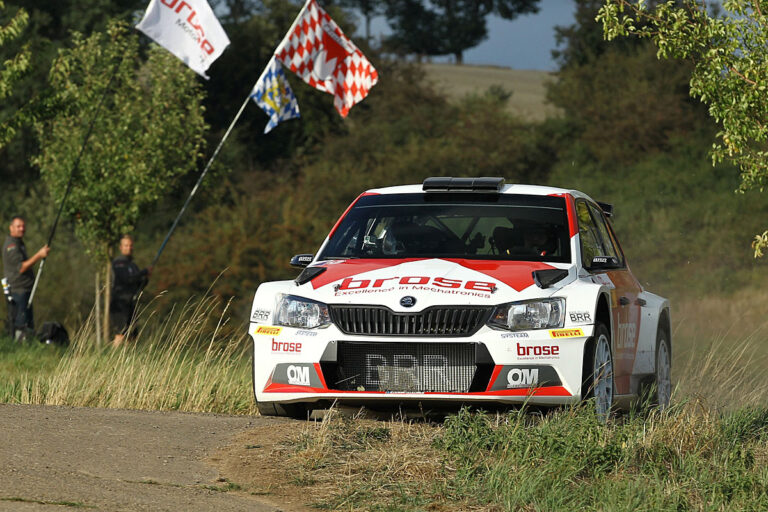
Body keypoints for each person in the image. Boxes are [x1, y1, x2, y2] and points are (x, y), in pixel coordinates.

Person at [2, 216, 50, 340]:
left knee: (28, 324)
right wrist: (39, 255)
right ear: (11, 228)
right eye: (18, 226)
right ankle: (20, 348)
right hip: (18, 290)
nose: (22, 229)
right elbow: (21, 268)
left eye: (23, 226)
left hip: (25, 289)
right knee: (21, 324)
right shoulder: (11, 246)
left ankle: (28, 348)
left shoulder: (19, 243)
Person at [110, 235, 151, 347]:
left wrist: (145, 278)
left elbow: (138, 285)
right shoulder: (118, 263)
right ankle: (112, 358)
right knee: (121, 333)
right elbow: (127, 279)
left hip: (131, 303)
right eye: (126, 245)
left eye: (131, 245)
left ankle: (127, 360)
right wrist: (143, 272)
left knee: (132, 335)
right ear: (121, 247)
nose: (129, 248)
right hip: (120, 303)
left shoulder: (132, 265)